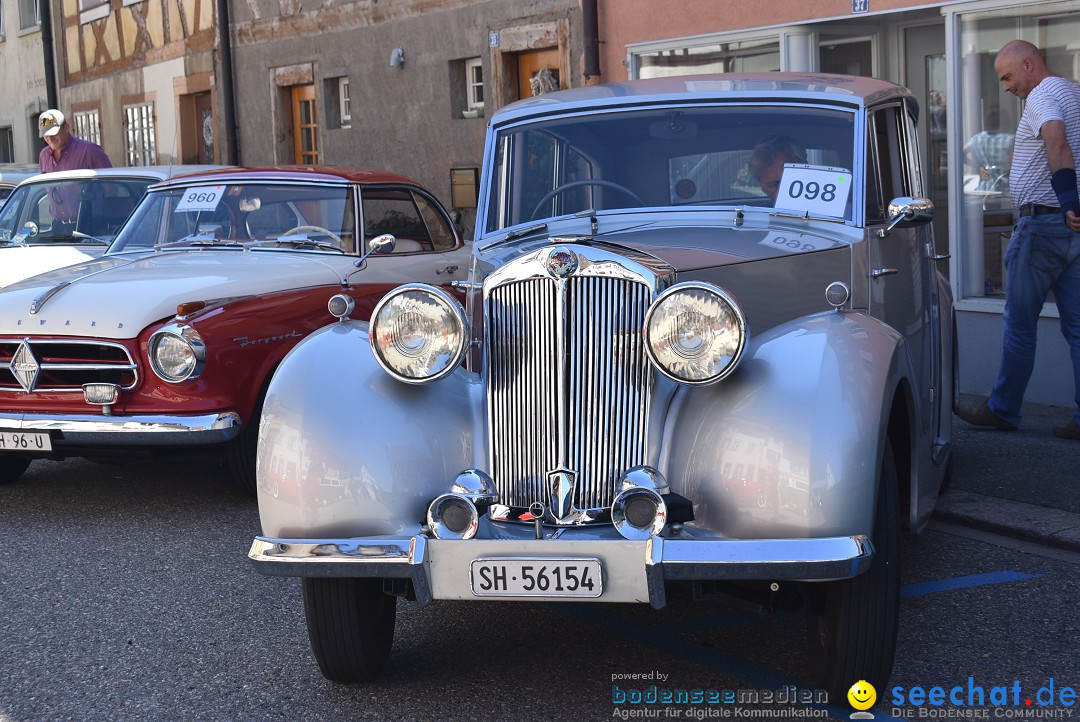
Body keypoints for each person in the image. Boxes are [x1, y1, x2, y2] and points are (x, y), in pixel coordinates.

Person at [956, 40, 1080, 440]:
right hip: (1070, 229)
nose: (1006, 87)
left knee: (1019, 324)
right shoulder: (1073, 92)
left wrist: (1069, 201)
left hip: (1044, 225)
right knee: (1078, 328)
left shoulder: (1043, 94)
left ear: (1029, 64)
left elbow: (1055, 140)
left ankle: (1003, 409)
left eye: (1007, 76)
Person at [37, 109, 111, 174]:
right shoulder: (44, 155)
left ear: (66, 128)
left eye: (53, 133)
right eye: (46, 135)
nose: (50, 139)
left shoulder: (90, 151)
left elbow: (110, 185)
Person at [964, 104, 1013, 192]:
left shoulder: (977, 139)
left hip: (984, 188)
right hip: (1004, 189)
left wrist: (977, 166)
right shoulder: (1009, 139)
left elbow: (961, 153)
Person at [747, 135, 806, 202]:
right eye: (774, 185)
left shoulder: (820, 209)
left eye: (791, 182)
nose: (784, 191)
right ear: (761, 185)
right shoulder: (749, 213)